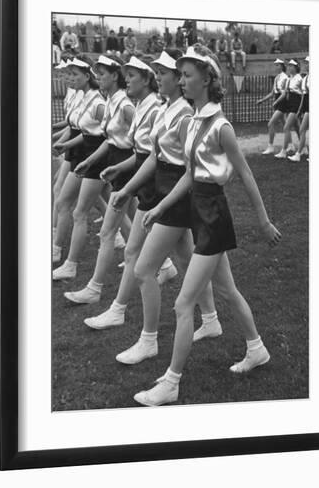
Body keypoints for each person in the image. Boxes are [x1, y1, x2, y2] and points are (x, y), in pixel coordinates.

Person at [131, 47, 281, 406]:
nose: (181, 80)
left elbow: (244, 174)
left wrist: (263, 220)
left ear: (207, 79)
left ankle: (171, 382)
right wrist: (160, 207)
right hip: (198, 211)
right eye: (180, 75)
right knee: (227, 291)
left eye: (186, 75)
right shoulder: (195, 120)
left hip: (213, 216)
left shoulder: (221, 126)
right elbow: (188, 174)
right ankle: (256, 349)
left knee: (184, 303)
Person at [89, 49, 222, 352]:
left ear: (179, 79)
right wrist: (126, 188)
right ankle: (212, 319)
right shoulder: (167, 108)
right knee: (185, 259)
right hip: (162, 192)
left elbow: (191, 168)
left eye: (164, 73)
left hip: (173, 195)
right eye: (158, 72)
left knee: (143, 268)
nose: (158, 77)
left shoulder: (185, 115)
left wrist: (162, 201)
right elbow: (153, 156)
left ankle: (148, 339)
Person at [65, 56, 176, 306]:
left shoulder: (135, 107)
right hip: (130, 167)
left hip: (141, 172)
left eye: (132, 76)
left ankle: (98, 290)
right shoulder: (129, 103)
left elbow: (145, 151)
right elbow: (125, 142)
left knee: (109, 232)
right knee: (149, 239)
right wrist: (108, 165)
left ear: (146, 80)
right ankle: (168, 270)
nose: (99, 78)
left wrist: (123, 174)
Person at [51, 55, 106, 274]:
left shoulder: (98, 102)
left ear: (87, 76)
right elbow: (82, 128)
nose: (68, 78)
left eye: (74, 74)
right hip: (84, 155)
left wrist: (65, 144)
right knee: (113, 208)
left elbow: (105, 135)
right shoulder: (84, 97)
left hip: (92, 157)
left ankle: (65, 259)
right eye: (67, 74)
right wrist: (63, 142)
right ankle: (59, 250)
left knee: (78, 208)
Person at [257, 59, 289, 155]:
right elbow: (272, 93)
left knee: (271, 123)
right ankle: (291, 145)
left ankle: (270, 146)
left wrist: (275, 102)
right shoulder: (277, 77)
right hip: (278, 101)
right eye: (275, 65)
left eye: (278, 65)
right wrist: (262, 100)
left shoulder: (284, 77)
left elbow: (283, 93)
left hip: (282, 102)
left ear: (282, 66)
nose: (276, 67)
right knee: (285, 124)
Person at [274, 59, 303, 158]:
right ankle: (304, 149)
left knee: (286, 127)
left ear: (296, 67)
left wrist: (301, 108)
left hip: (296, 105)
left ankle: (284, 151)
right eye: (289, 66)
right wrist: (277, 101)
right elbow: (285, 93)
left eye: (292, 66)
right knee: (297, 127)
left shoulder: (299, 78)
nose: (289, 67)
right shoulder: (290, 78)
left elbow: (303, 94)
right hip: (290, 104)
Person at [289, 56, 310, 162]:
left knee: (302, 129)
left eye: (308, 63)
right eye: (306, 63)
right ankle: (302, 152)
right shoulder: (306, 77)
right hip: (306, 107)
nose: (306, 65)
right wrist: (300, 110)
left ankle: (299, 153)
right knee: (302, 129)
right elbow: (303, 97)